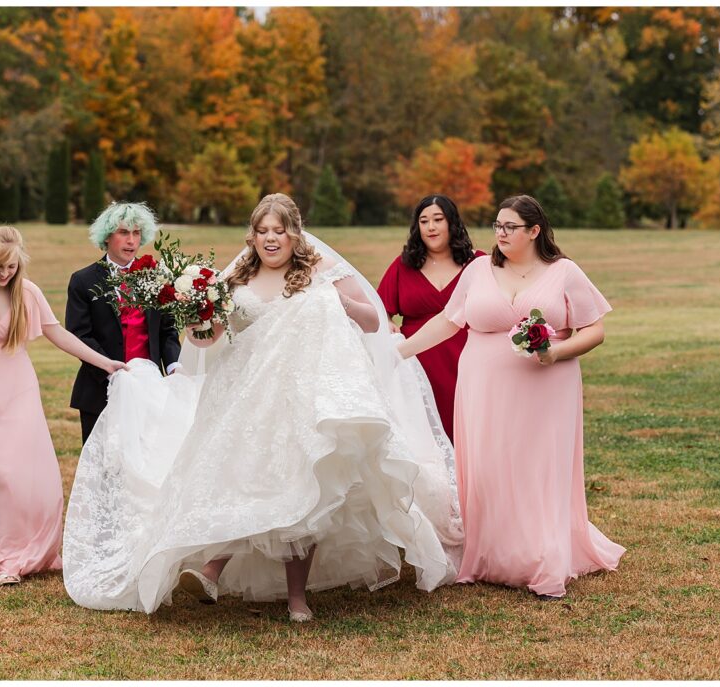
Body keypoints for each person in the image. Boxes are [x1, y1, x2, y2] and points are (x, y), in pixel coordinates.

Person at [63, 193, 463, 621]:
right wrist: (198, 320)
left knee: (304, 488)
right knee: (240, 481)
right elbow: (209, 339)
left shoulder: (320, 271)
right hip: (246, 398)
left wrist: (334, 301)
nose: (271, 239)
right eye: (262, 231)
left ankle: (296, 598)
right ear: (251, 236)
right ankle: (212, 569)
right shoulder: (235, 277)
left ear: (295, 232)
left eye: (279, 231)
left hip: (303, 397)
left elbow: (372, 322)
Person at [398, 195, 625, 598]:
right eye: (497, 226)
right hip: (483, 385)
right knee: (489, 466)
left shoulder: (564, 272)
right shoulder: (478, 270)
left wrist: (555, 352)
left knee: (537, 467)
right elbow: (448, 322)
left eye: (510, 227)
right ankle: (488, 556)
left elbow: (594, 329)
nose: (500, 234)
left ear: (534, 231)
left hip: (547, 387)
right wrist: (398, 352)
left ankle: (542, 556)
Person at [0, 226, 127, 585]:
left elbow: (59, 334)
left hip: (19, 390)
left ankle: (23, 553)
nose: (5, 274)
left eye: (11, 267)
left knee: (27, 475)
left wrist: (104, 362)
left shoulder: (28, 292)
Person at [65, 202, 182, 444]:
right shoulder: (83, 281)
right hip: (100, 390)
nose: (131, 240)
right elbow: (79, 335)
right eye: (124, 232)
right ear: (107, 236)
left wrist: (173, 367)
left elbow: (168, 330)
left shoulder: (157, 276)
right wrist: (109, 369)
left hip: (148, 387)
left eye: (136, 233)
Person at [377, 195, 486, 442]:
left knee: (469, 429)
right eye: (424, 221)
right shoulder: (404, 265)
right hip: (417, 361)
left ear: (452, 223)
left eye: (438, 219)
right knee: (424, 433)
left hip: (466, 359)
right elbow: (379, 308)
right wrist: (388, 322)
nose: (431, 227)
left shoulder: (478, 262)